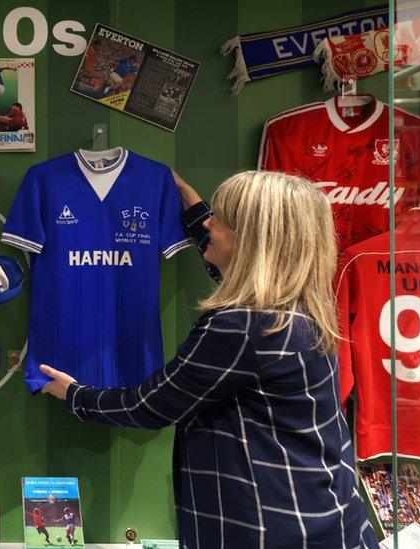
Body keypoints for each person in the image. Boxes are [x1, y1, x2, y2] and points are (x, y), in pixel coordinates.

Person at [40, 170, 378, 548]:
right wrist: (193, 209)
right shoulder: (296, 312)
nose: (210, 223)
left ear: (250, 240)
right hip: (325, 520)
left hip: (271, 530)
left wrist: (74, 394)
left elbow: (150, 405)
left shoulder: (241, 327)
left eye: (221, 218)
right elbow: (236, 269)